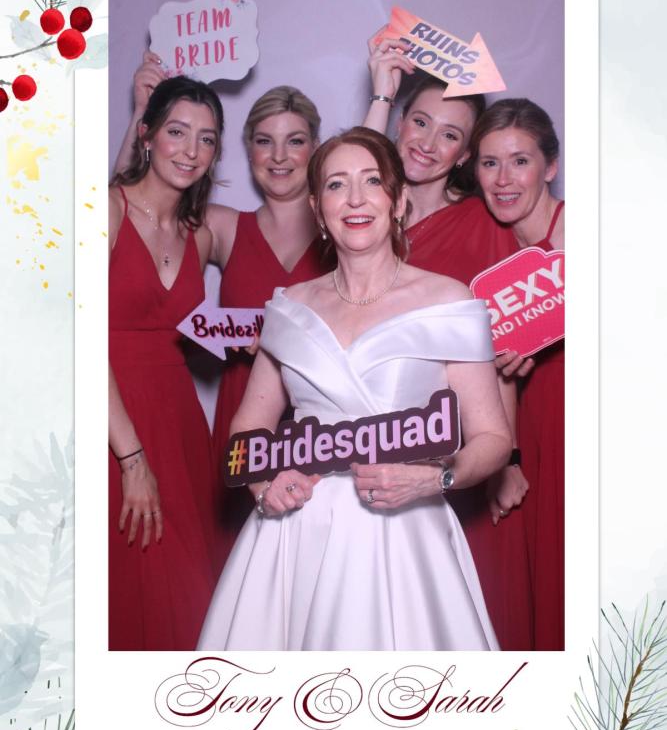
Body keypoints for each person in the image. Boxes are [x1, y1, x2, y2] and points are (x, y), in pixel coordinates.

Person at [198, 127, 512, 651]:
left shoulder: (449, 301)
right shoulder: (289, 307)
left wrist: (435, 479)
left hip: (404, 533)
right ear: (318, 210)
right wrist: (262, 485)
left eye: (372, 181)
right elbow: (248, 426)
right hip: (298, 530)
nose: (356, 199)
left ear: (399, 201)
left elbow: (493, 438)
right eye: (337, 185)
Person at [116, 57, 329, 566]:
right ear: (247, 150)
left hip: (317, 422)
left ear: (317, 149)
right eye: (264, 141)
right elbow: (129, 212)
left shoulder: (343, 225)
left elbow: (370, 173)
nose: (279, 156)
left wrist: (382, 95)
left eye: (296, 141)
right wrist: (141, 114)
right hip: (237, 420)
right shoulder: (217, 224)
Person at [364, 35, 534, 650]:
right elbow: (353, 169)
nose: (427, 143)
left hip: (452, 451)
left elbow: (498, 354)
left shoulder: (482, 227)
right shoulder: (359, 215)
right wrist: (381, 93)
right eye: (419, 121)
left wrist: (507, 458)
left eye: (450, 135)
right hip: (361, 440)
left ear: (465, 154)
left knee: (449, 619)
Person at [108, 75, 223, 650]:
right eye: (177, 132)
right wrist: (131, 459)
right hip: (115, 422)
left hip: (179, 427)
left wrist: (243, 339)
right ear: (147, 134)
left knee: (190, 597)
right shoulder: (106, 209)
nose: (191, 151)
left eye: (206, 139)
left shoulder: (198, 235)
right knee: (129, 587)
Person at [471, 98, 564, 651]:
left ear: (550, 166)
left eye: (520, 161)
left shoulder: (586, 233)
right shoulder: (484, 242)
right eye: (489, 163)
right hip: (505, 433)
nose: (503, 180)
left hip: (568, 418)